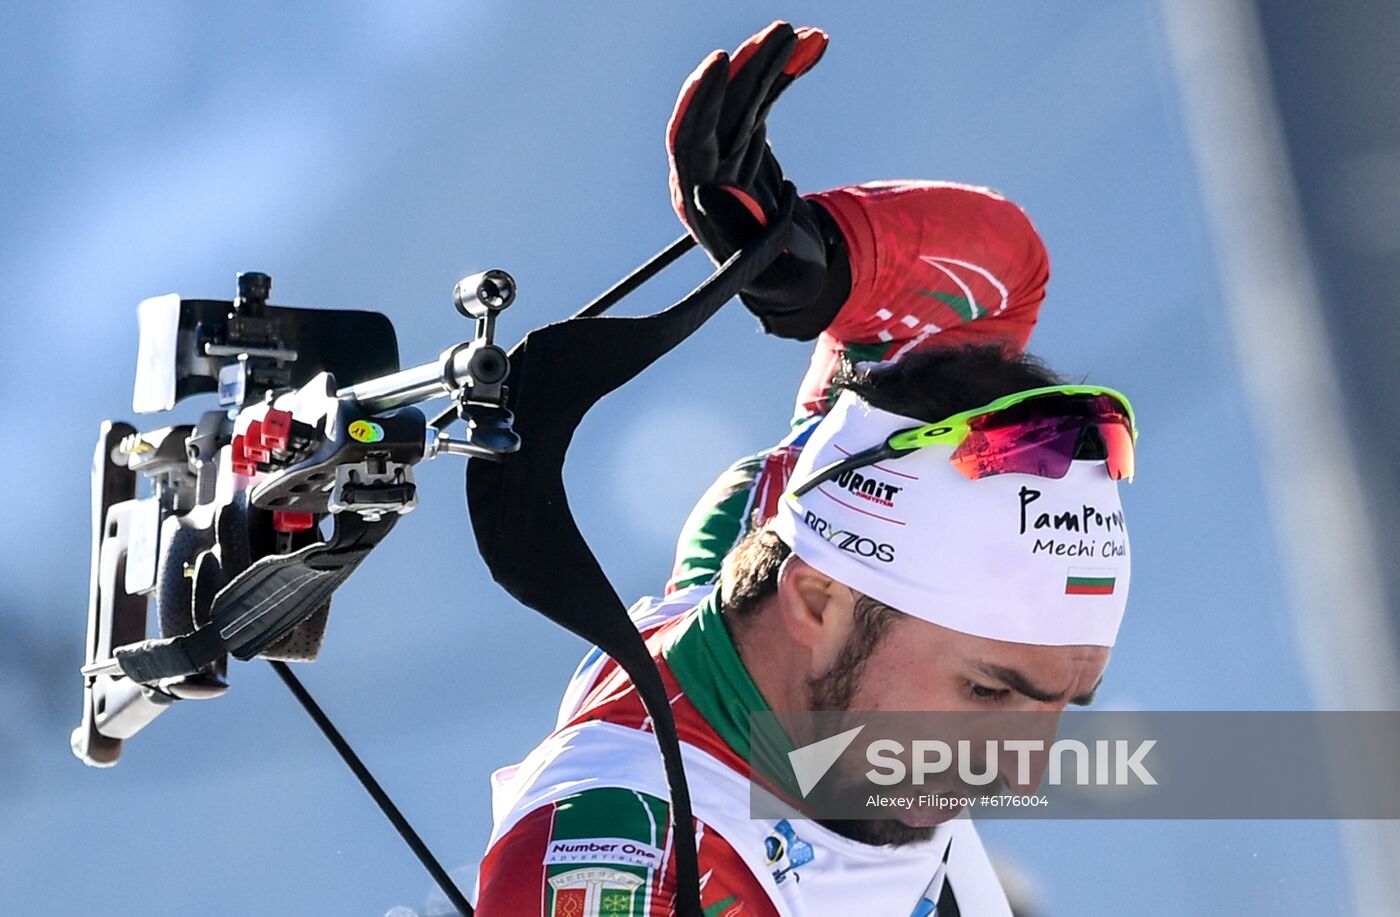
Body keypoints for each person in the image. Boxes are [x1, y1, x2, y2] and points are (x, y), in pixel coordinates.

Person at [473, 23, 1135, 916]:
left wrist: (824, 258)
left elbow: (997, 275)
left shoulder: (793, 524)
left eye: (1063, 703)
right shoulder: (631, 846)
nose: (1021, 767)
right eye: (985, 689)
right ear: (819, 601)